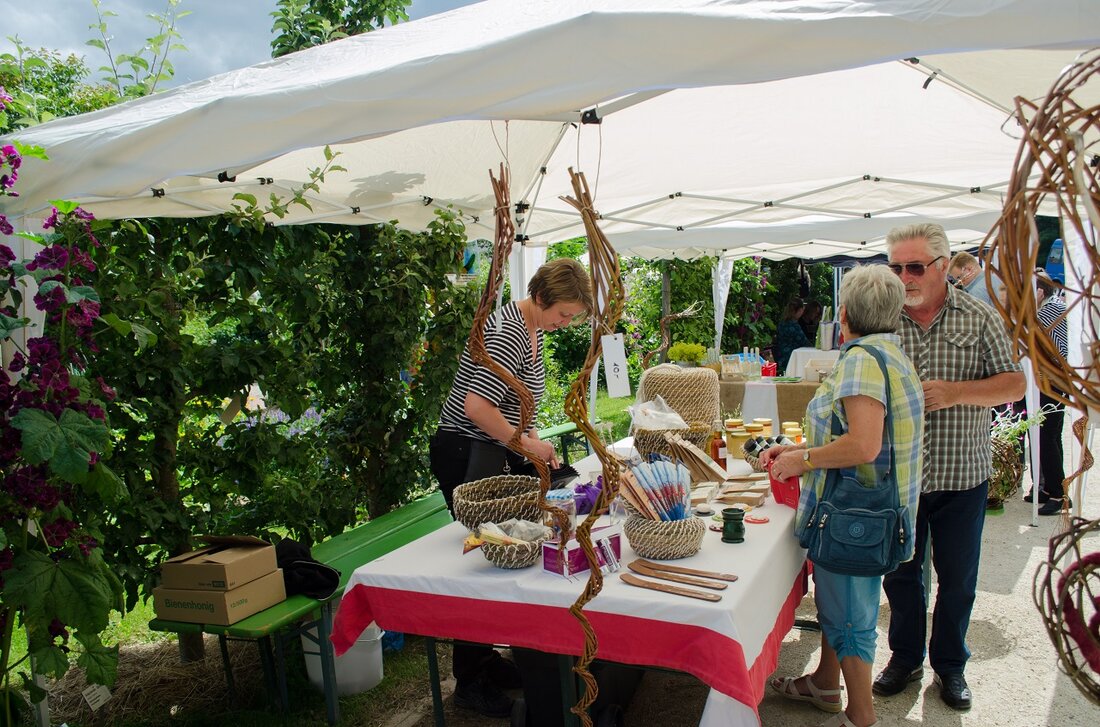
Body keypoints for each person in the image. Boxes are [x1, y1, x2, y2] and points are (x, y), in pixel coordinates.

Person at [429, 257, 593, 718]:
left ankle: (485, 659)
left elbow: (513, 404)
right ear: (540, 297)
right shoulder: (508, 332)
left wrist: (532, 444)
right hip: (466, 451)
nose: (565, 323)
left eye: (573, 317)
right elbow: (478, 406)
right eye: (563, 314)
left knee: (499, 551)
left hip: (487, 450)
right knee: (488, 555)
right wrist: (524, 444)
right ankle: (470, 680)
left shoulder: (533, 328)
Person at [764, 265, 924, 727]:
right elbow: (863, 435)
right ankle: (826, 684)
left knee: (851, 619)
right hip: (873, 512)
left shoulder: (860, 360)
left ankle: (862, 716)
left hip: (855, 515)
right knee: (843, 605)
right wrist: (798, 449)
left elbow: (863, 445)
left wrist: (802, 461)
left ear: (846, 313)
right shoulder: (893, 353)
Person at [875, 223, 1024, 711]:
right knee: (900, 575)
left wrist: (957, 392)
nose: (903, 277)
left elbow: (1014, 385)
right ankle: (904, 657)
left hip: (962, 475)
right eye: (895, 267)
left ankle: (951, 665)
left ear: (943, 266)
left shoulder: (980, 317)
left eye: (914, 267)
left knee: (957, 578)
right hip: (899, 476)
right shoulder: (881, 319)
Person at [1029, 270, 1070, 515]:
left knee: (1047, 436)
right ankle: (1050, 489)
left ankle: (1057, 492)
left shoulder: (1047, 310)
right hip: (1054, 380)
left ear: (1039, 292)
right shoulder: (1054, 304)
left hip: (1052, 380)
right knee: (1052, 435)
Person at [774, 297, 811, 374]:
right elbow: (804, 342)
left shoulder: (782, 323)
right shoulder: (794, 325)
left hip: (780, 356)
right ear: (799, 310)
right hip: (791, 358)